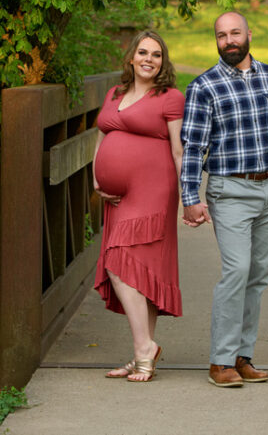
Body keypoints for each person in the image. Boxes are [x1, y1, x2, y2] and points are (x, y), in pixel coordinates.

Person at [180, 11, 268, 388]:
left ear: (249, 34)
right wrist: (189, 197)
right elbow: (193, 147)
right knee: (237, 271)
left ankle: (243, 356)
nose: (228, 40)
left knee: (259, 274)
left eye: (234, 33)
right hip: (230, 191)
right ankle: (220, 361)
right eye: (221, 35)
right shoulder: (204, 86)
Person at [92, 30, 184, 382]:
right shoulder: (113, 94)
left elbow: (178, 149)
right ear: (131, 57)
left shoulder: (170, 97)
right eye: (143, 52)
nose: (149, 59)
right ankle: (142, 352)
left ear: (163, 61)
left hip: (154, 189)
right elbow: (101, 136)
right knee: (139, 270)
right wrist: (96, 177)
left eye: (157, 54)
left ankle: (145, 348)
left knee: (119, 262)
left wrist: (189, 195)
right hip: (116, 196)